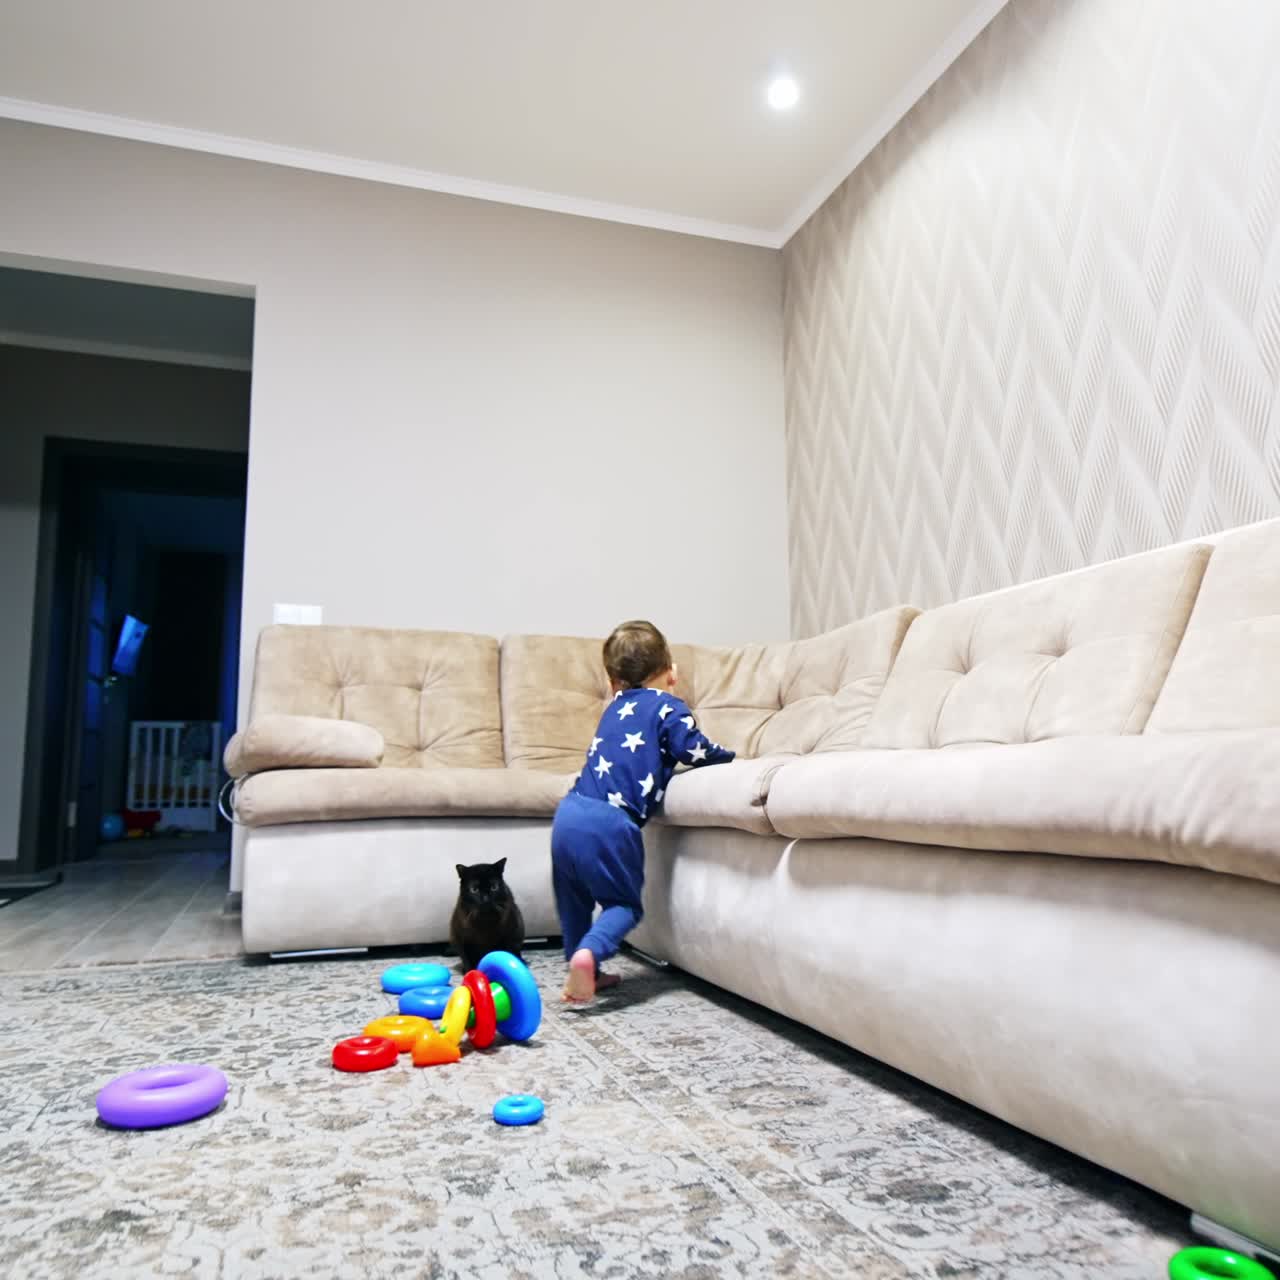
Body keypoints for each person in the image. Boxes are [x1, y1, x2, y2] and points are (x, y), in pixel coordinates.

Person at [552, 620, 734, 1003]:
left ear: (612, 680)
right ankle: (590, 954)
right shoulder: (669, 707)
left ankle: (581, 965)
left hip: (568, 815)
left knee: (575, 901)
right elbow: (692, 749)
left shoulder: (613, 709)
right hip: (612, 823)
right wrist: (729, 757)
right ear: (671, 671)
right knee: (623, 904)